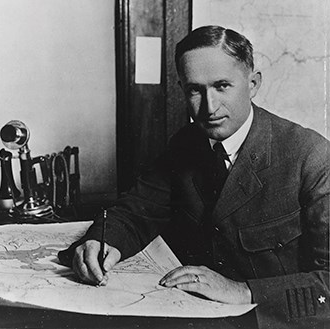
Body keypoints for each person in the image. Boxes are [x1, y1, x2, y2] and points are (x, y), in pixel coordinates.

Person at [59, 25, 330, 329]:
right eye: (194, 90)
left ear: (253, 84)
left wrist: (243, 291)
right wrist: (102, 240)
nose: (209, 107)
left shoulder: (312, 157)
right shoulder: (187, 142)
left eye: (222, 86)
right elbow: (138, 209)